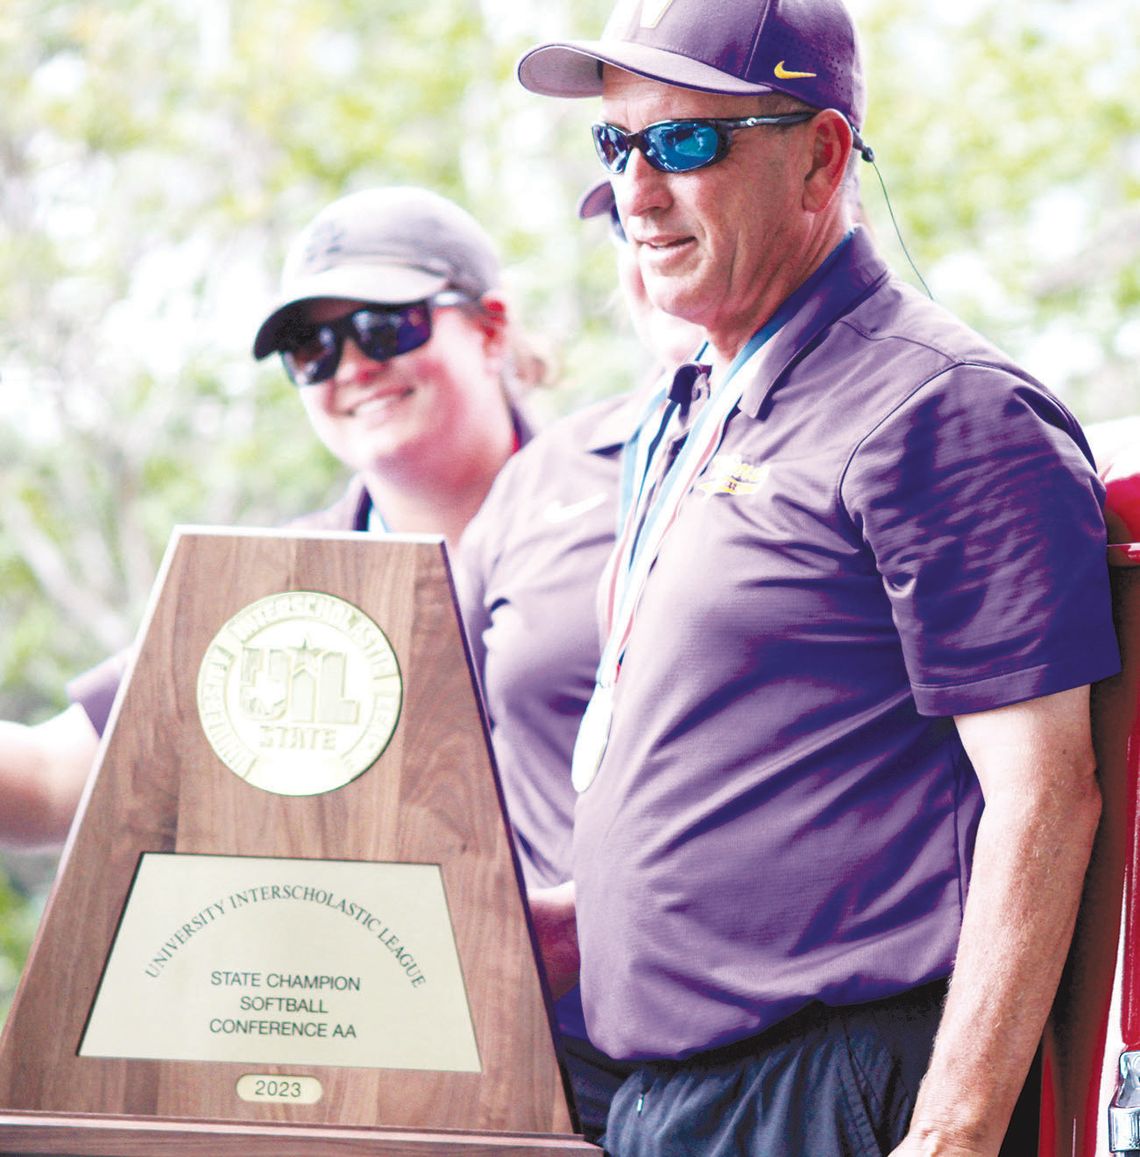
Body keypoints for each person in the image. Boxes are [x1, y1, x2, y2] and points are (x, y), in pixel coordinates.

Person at [515, 1, 1120, 1154]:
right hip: (660, 1097)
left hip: (824, 1090)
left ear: (821, 158)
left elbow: (1047, 793)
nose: (638, 191)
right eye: (615, 144)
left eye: (686, 142)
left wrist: (951, 1132)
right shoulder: (705, 405)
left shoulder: (942, 408)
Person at [0, 185, 534, 849]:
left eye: (385, 325)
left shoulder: (625, 511)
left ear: (491, 328)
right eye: (313, 348)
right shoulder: (272, 582)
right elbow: (52, 778)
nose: (355, 366)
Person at [455, 178, 701, 1141]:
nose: (656, 242)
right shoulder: (546, 475)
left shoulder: (870, 430)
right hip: (546, 1053)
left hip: (786, 1048)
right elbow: (437, 740)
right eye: (630, 231)